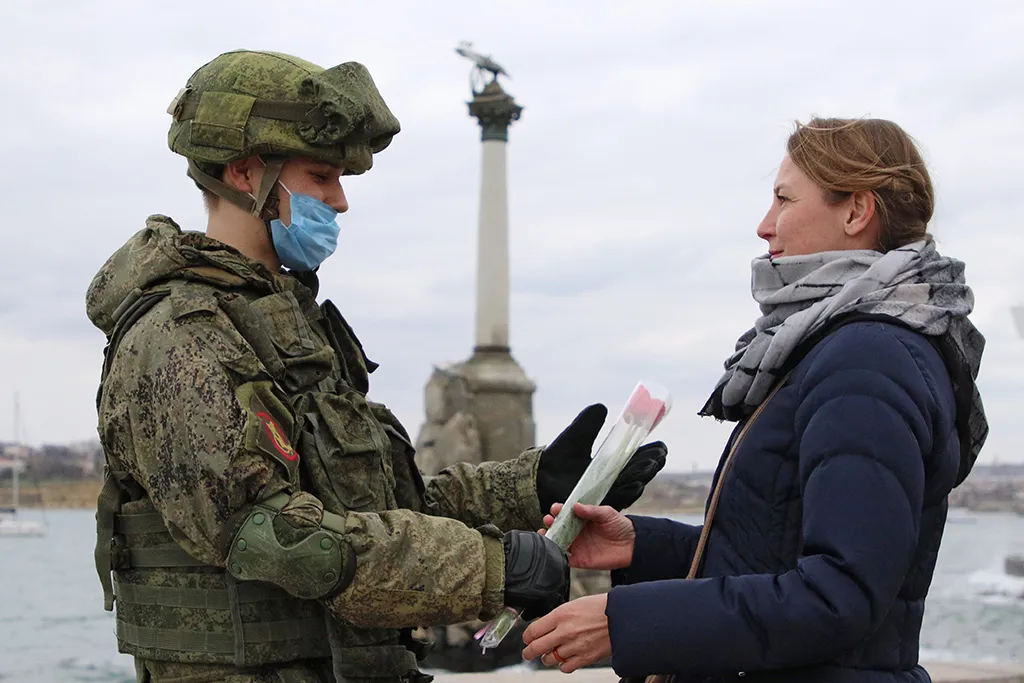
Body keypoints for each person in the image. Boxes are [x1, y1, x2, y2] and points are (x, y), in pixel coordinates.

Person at [85, 49, 668, 683]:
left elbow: (391, 504)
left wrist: (530, 489)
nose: (339, 201)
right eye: (319, 176)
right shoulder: (179, 338)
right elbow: (279, 539)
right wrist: (493, 567)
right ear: (246, 173)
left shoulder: (292, 325)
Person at [521, 117, 987, 683]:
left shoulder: (868, 357)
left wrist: (625, 622)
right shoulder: (844, 344)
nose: (764, 226)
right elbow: (776, 550)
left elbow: (840, 594)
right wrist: (642, 545)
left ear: (856, 211)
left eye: (784, 200)